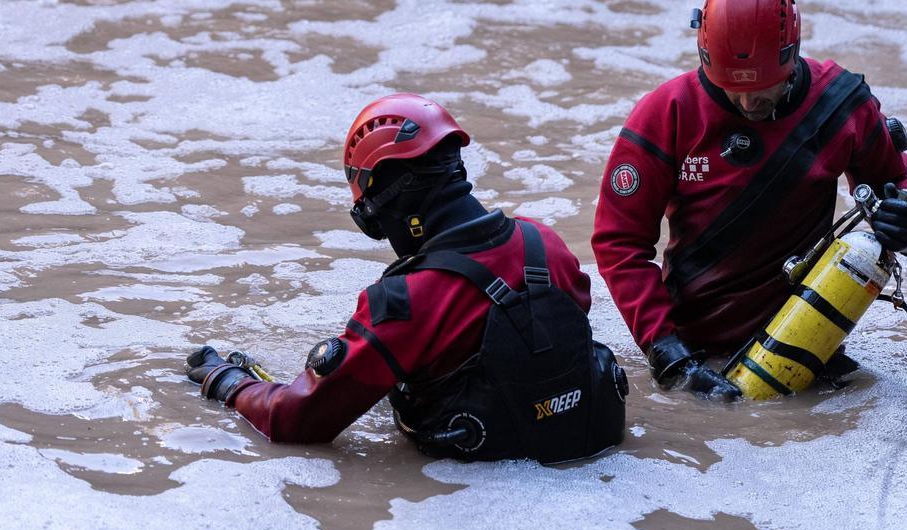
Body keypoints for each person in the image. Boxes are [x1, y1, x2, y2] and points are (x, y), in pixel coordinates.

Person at [186, 93, 627, 462]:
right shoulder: (545, 243)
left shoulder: (402, 302)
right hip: (596, 458)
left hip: (479, 499)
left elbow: (294, 421)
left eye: (368, 210)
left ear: (390, 199)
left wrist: (228, 381)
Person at [591, 0, 907, 400]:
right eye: (730, 89)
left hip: (809, 340)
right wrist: (668, 355)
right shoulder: (666, 114)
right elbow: (618, 243)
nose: (747, 102)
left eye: (761, 88)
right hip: (696, 350)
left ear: (793, 52)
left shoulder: (840, 105)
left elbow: (898, 190)